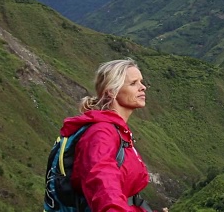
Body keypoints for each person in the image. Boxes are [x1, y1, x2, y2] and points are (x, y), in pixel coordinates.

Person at [59, 58, 164, 212]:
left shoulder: (117, 130)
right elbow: (105, 190)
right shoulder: (101, 134)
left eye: (141, 82)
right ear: (112, 91)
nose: (143, 87)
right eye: (133, 83)